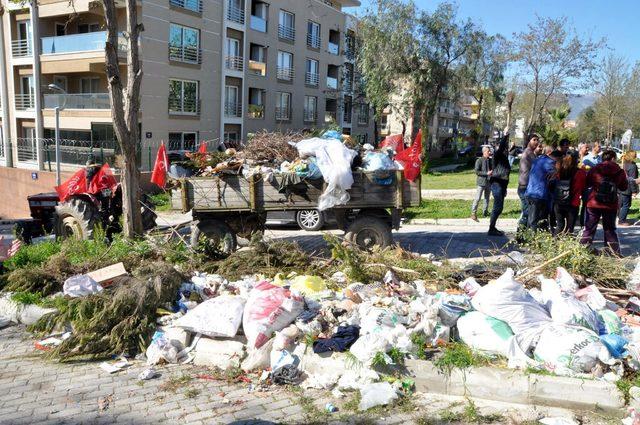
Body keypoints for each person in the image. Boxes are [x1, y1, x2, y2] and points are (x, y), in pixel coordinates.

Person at [580, 149, 628, 256]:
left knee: (589, 228)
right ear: (613, 158)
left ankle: (581, 251)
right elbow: (624, 187)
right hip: (610, 204)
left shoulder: (595, 169)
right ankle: (613, 253)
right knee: (610, 229)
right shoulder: (619, 171)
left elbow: (587, 183)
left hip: (594, 203)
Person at [525, 150, 563, 231]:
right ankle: (533, 240)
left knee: (531, 219)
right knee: (537, 221)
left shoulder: (539, 159)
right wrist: (557, 171)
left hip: (530, 192)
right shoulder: (550, 163)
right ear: (558, 158)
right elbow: (553, 180)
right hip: (539, 194)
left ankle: (527, 239)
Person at [552, 152, 586, 234]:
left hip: (558, 202)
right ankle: (567, 245)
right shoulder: (580, 173)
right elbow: (583, 187)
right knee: (570, 229)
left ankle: (554, 244)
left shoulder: (558, 171)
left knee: (560, 225)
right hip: (573, 203)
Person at [488, 132, 511, 236]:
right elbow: (501, 147)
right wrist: (505, 136)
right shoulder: (497, 155)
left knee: (499, 207)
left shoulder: (505, 159)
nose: (506, 149)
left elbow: (506, 175)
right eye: (504, 148)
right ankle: (491, 229)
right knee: (497, 206)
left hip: (501, 184)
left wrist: (505, 189)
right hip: (496, 183)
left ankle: (492, 227)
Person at [517, 134, 540, 229]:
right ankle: (520, 236)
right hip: (524, 186)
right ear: (528, 141)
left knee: (528, 212)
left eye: (537, 140)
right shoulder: (528, 153)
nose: (536, 142)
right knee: (526, 213)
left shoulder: (531, 153)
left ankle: (524, 234)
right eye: (534, 139)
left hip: (528, 187)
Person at [618, 150, 640, 226]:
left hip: (621, 187)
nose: (636, 156)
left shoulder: (624, 163)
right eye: (635, 154)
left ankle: (619, 217)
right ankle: (622, 221)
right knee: (626, 205)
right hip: (627, 188)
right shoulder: (632, 166)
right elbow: (632, 181)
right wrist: (634, 191)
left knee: (620, 204)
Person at [471, 146, 492, 221]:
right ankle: (473, 213)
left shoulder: (490, 160)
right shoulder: (479, 160)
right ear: (484, 152)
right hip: (481, 182)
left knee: (487, 198)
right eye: (488, 151)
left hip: (489, 182)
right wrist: (486, 173)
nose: (489, 152)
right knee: (477, 198)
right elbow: (477, 171)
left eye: (489, 151)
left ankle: (485, 212)